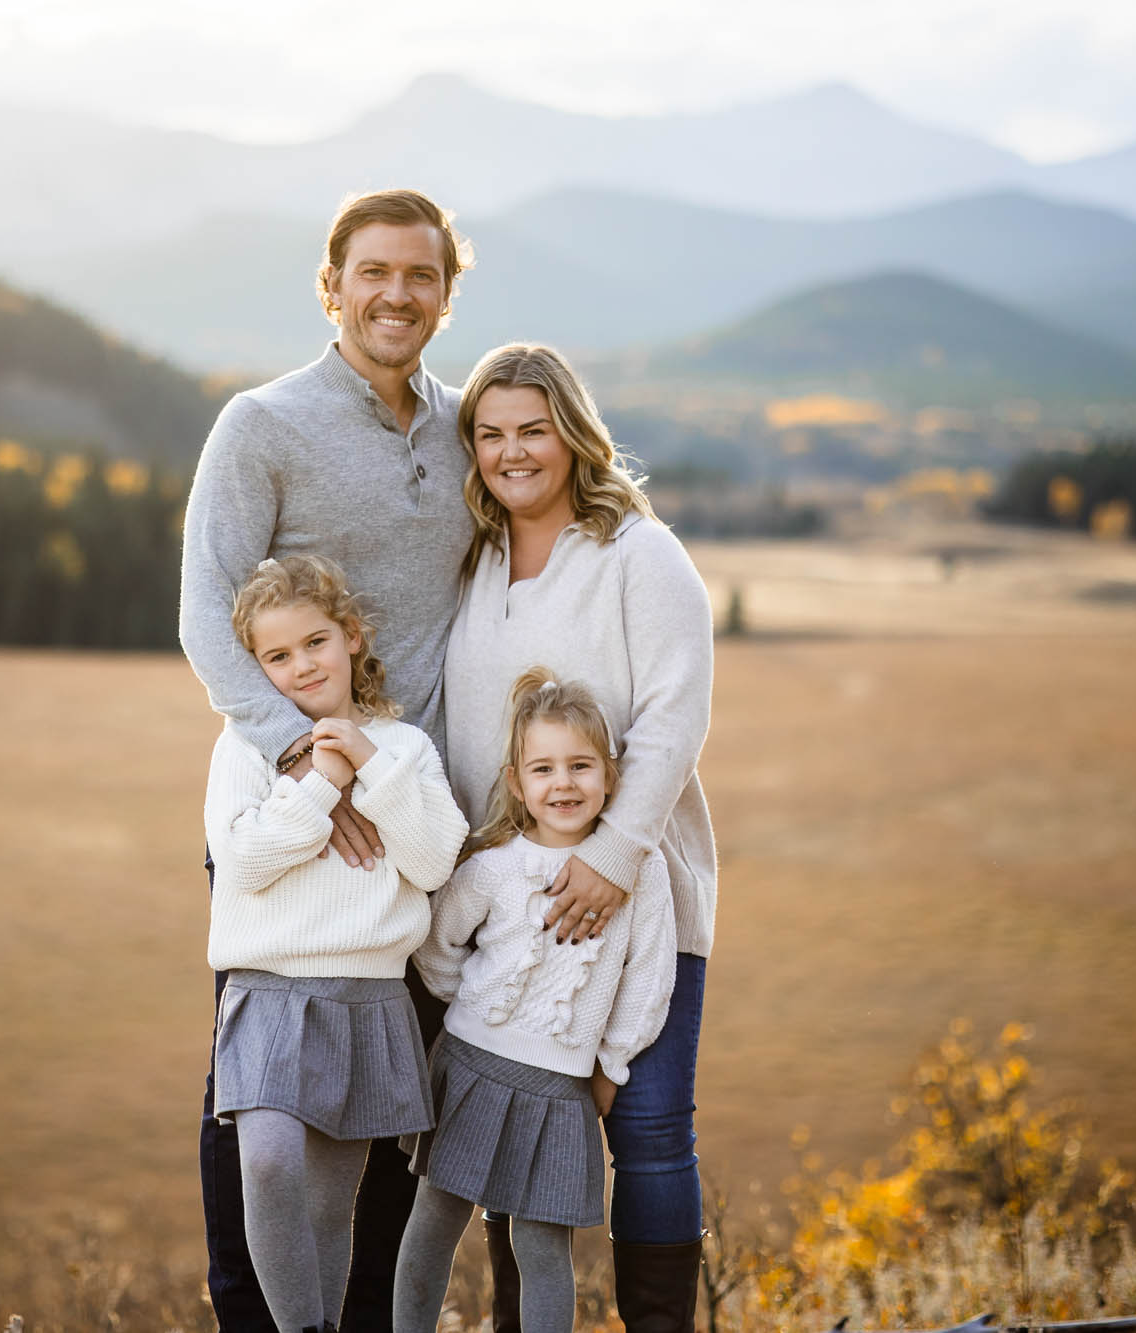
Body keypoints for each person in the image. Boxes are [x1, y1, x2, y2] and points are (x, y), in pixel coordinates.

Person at [179, 188, 479, 1332]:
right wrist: (306, 759)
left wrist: (390, 780)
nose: (395, 294)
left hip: (412, 811)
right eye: (373, 272)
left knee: (390, 1093)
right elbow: (207, 613)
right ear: (332, 285)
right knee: (256, 1096)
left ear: (445, 294)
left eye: (420, 275)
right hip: (294, 802)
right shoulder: (260, 424)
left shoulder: (465, 430)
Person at [441, 344, 717, 1333]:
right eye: (489, 432)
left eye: (531, 428)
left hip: (634, 891)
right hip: (512, 906)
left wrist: (608, 858)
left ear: (570, 431)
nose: (512, 451)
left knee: (645, 1130)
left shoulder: (637, 553)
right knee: (517, 1135)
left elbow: (676, 717)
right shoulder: (472, 561)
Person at [207, 554, 471, 1333]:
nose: (300, 667)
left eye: (315, 642)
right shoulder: (246, 747)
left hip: (369, 999)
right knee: (269, 1161)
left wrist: (367, 763)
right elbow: (245, 860)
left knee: (329, 1208)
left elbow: (431, 861)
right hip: (269, 992)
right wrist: (320, 779)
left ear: (351, 636)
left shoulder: (407, 749)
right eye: (276, 656)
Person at [393, 669, 676, 1333]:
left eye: (581, 765)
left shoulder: (641, 870)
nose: (564, 783)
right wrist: (477, 1009)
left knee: (543, 1248)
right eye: (544, 768)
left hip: (561, 1089)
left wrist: (610, 1063)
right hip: (470, 1069)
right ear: (518, 782)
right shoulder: (491, 867)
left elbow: (649, 976)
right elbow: (436, 945)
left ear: (610, 774)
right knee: (433, 1222)